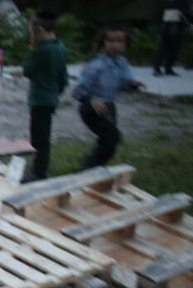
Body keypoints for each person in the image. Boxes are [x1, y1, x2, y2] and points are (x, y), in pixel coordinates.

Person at [71, 26, 144, 170]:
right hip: (92, 108)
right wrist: (91, 100)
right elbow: (77, 91)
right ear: (103, 42)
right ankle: (87, 167)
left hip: (109, 106)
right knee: (112, 137)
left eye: (119, 41)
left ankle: (94, 166)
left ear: (125, 44)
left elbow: (124, 83)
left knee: (108, 140)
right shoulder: (95, 65)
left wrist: (133, 85)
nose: (114, 45)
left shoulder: (122, 63)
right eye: (110, 40)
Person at [21, 11, 69, 181]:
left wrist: (32, 47)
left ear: (39, 30)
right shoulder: (61, 48)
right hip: (51, 98)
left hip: (39, 99)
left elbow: (27, 71)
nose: (31, 36)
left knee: (39, 138)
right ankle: (39, 169)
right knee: (44, 135)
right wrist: (57, 92)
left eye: (32, 32)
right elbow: (63, 77)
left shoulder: (41, 51)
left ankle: (38, 172)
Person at [153, 0, 192, 77]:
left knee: (162, 48)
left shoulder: (169, 0)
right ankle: (168, 68)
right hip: (177, 28)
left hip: (165, 27)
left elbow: (161, 14)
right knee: (173, 49)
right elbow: (187, 15)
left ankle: (157, 68)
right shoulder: (184, 2)